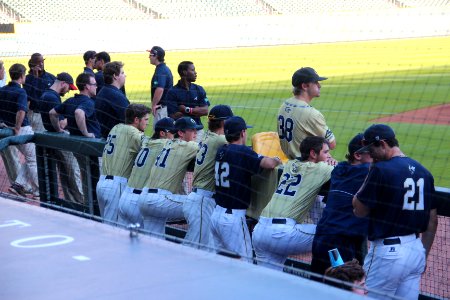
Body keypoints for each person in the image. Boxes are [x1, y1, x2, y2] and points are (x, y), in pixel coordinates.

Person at [352, 124, 438, 300]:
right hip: (415, 252)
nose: (369, 155)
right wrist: (423, 254)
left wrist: (370, 173)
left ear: (383, 144)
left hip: (388, 255)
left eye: (371, 149)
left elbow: (358, 210)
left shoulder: (380, 170)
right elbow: (432, 221)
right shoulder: (424, 172)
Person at [252, 136, 335, 270]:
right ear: (313, 153)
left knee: (267, 281)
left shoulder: (290, 164)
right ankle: (339, 270)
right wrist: (332, 163)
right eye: (325, 152)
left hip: (259, 231)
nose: (328, 156)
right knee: (331, 233)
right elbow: (346, 173)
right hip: (282, 234)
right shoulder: (320, 169)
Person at [211, 116, 282, 261]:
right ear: (243, 133)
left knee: (220, 262)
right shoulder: (243, 152)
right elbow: (268, 164)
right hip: (233, 219)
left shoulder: (221, 150)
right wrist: (276, 160)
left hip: (215, 215)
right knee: (245, 263)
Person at [310, 133, 372, 275]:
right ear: (357, 155)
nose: (376, 154)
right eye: (372, 151)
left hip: (323, 237)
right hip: (337, 245)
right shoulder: (367, 171)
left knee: (318, 282)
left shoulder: (339, 169)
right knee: (341, 282)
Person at [138, 117, 201, 235]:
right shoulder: (188, 146)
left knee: (153, 242)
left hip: (144, 198)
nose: (195, 133)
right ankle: (192, 246)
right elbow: (208, 151)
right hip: (160, 200)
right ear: (181, 133)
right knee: (201, 204)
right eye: (192, 130)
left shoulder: (167, 143)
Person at [183, 105, 233, 249]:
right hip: (202, 201)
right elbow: (238, 147)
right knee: (195, 247)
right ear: (224, 123)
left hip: (200, 198)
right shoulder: (219, 140)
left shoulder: (206, 136)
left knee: (205, 245)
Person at [96, 104, 150, 224]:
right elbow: (151, 147)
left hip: (101, 183)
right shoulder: (133, 133)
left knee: (106, 225)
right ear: (136, 119)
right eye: (146, 119)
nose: (147, 123)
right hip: (116, 186)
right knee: (114, 231)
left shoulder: (116, 127)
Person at [118, 117, 176, 227]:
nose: (174, 136)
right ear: (163, 133)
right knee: (147, 242)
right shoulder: (165, 144)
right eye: (172, 133)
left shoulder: (146, 142)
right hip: (138, 203)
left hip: (124, 198)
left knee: (124, 241)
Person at [39, 72, 83, 204]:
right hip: (59, 139)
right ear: (63, 83)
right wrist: (72, 115)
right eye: (69, 87)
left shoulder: (45, 94)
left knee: (65, 173)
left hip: (51, 137)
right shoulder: (53, 97)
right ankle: (83, 202)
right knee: (72, 171)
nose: (69, 91)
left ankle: (71, 202)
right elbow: (62, 123)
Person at [278, 67, 336, 160]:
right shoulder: (311, 114)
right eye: (315, 82)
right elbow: (332, 144)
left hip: (290, 163)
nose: (319, 85)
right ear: (304, 86)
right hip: (307, 165)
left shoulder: (284, 105)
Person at [0, 63, 39, 198]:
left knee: (30, 158)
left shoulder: (2, 90)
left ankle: (18, 185)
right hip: (22, 130)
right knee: (34, 159)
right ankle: (39, 190)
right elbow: (21, 111)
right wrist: (17, 127)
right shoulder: (21, 91)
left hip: (7, 129)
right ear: (22, 76)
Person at [167, 61, 210, 142]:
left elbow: (205, 111)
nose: (195, 73)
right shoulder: (172, 92)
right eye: (193, 70)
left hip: (197, 132)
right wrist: (196, 110)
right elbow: (174, 115)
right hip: (181, 133)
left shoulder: (199, 89)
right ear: (184, 72)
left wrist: (186, 109)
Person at [49, 73, 100, 138]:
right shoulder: (89, 102)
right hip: (90, 143)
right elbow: (79, 112)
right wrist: (86, 134)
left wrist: (58, 129)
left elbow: (52, 113)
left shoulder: (70, 101)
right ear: (87, 86)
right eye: (94, 84)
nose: (96, 87)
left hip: (74, 142)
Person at [0, 60, 23, 189]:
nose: (4, 71)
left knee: (8, 155)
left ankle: (16, 184)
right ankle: (20, 186)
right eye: (2, 69)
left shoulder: (3, 87)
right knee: (12, 156)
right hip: (5, 126)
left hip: (3, 125)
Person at [95, 61, 130, 138]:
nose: (125, 75)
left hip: (106, 137)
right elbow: (130, 121)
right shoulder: (116, 96)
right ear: (115, 76)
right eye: (122, 73)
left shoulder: (103, 91)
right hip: (118, 140)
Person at [23, 53, 56, 132]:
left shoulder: (50, 77)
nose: (41, 64)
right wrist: (35, 77)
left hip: (50, 114)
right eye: (39, 62)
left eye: (42, 61)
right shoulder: (27, 79)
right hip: (35, 114)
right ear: (33, 64)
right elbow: (30, 96)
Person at [148, 46, 173, 126]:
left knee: (160, 135)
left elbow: (160, 89)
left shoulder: (161, 71)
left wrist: (154, 105)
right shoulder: (163, 68)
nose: (149, 57)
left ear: (156, 56)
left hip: (162, 109)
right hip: (164, 108)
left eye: (151, 55)